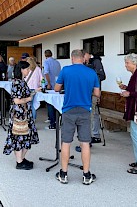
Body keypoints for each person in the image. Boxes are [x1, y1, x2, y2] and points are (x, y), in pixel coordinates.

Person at [54, 49, 100, 185]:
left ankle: (63, 174)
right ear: (83, 58)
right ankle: (86, 175)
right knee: (85, 143)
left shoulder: (66, 70)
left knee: (66, 142)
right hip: (85, 110)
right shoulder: (91, 72)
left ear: (72, 58)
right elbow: (97, 93)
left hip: (69, 110)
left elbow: (56, 88)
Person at [3, 61, 39, 170]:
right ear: (22, 70)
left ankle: (21, 159)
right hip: (20, 114)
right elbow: (17, 100)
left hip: (23, 113)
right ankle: (19, 161)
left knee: (24, 136)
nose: (29, 71)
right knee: (19, 136)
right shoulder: (18, 83)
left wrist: (33, 92)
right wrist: (29, 98)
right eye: (27, 69)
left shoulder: (19, 81)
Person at [84, 52, 106, 144]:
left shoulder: (96, 61)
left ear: (87, 54)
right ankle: (89, 134)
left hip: (94, 92)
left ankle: (95, 135)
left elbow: (102, 76)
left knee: (94, 113)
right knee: (88, 113)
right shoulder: (84, 64)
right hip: (85, 92)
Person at [43, 49, 61, 130]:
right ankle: (57, 120)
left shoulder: (46, 62)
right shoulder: (57, 62)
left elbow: (46, 72)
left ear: (45, 55)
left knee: (50, 103)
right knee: (56, 102)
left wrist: (49, 83)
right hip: (57, 84)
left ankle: (52, 122)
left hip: (50, 84)